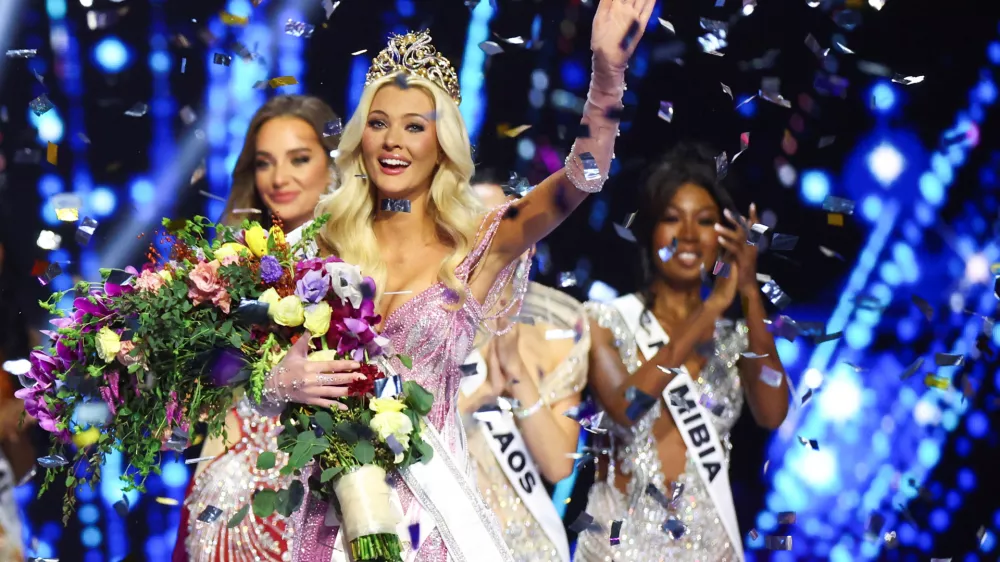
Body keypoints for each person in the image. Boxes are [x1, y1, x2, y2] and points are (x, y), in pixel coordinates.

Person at [257, 1, 656, 560]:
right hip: (331, 524)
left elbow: (581, 178)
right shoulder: (317, 245)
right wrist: (280, 381)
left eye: (414, 126)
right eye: (379, 123)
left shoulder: (478, 247)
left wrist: (607, 75)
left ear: (441, 142)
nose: (393, 141)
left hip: (432, 523)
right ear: (360, 137)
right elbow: (244, 373)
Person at [575, 144, 791, 562]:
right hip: (617, 548)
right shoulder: (605, 319)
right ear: (650, 230)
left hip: (710, 548)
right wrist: (711, 307)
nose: (689, 234)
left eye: (706, 221)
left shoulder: (735, 339)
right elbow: (625, 407)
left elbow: (773, 413)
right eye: (672, 218)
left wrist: (747, 290)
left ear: (725, 238)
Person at [174, 94, 343, 562]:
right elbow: (211, 384)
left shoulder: (359, 264)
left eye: (299, 159)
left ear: (334, 164)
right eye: (265, 162)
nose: (279, 178)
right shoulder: (226, 266)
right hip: (230, 473)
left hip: (318, 483)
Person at [457, 182, 590, 562]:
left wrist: (516, 373)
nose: (489, 244)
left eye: (502, 228)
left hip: (518, 544)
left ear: (529, 243)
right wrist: (481, 397)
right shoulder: (428, 319)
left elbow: (558, 464)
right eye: (474, 229)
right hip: (433, 524)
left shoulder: (559, 329)